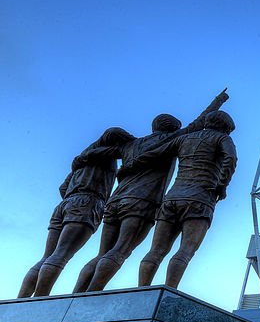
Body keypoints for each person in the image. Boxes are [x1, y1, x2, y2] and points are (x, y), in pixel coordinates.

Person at [74, 90, 229, 292]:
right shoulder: (173, 139)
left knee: (103, 253)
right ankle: (93, 293)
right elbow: (199, 124)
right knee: (121, 250)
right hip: (142, 202)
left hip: (116, 200)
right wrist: (218, 101)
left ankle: (78, 294)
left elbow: (95, 153)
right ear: (173, 128)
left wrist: (84, 159)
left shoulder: (130, 145)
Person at [19, 127, 134, 297]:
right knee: (61, 255)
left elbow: (63, 187)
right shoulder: (105, 155)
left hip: (65, 204)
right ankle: (39, 300)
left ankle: (22, 299)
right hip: (87, 202)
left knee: (47, 256)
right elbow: (125, 150)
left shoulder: (82, 159)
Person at [130, 110, 238, 288]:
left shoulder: (183, 139)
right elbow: (231, 158)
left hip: (172, 198)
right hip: (200, 198)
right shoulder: (222, 139)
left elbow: (153, 153)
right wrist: (222, 185)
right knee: (186, 251)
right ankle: (169, 290)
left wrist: (131, 162)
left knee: (156, 251)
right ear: (226, 127)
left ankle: (142, 290)